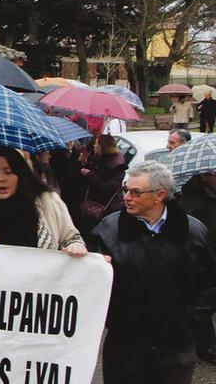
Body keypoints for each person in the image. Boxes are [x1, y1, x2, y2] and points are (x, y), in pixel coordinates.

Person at [91, 161, 216, 383]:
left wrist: (189, 320)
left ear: (159, 196)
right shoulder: (109, 230)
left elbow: (210, 283)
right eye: (126, 190)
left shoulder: (193, 232)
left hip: (174, 347)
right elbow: (92, 283)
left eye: (135, 192)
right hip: (125, 347)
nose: (127, 197)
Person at [0, 146, 87, 255]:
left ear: (20, 175)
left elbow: (72, 238)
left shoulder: (48, 201)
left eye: (8, 172)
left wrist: (75, 247)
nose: (1, 178)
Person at [176, 171, 216, 363]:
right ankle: (206, 345)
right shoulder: (190, 198)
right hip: (202, 258)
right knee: (202, 305)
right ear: (208, 175)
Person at [81, 134, 128, 219]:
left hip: (105, 207)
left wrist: (90, 175)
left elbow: (108, 187)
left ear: (102, 146)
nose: (94, 145)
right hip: (95, 202)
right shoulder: (101, 157)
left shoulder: (117, 166)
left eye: (96, 143)